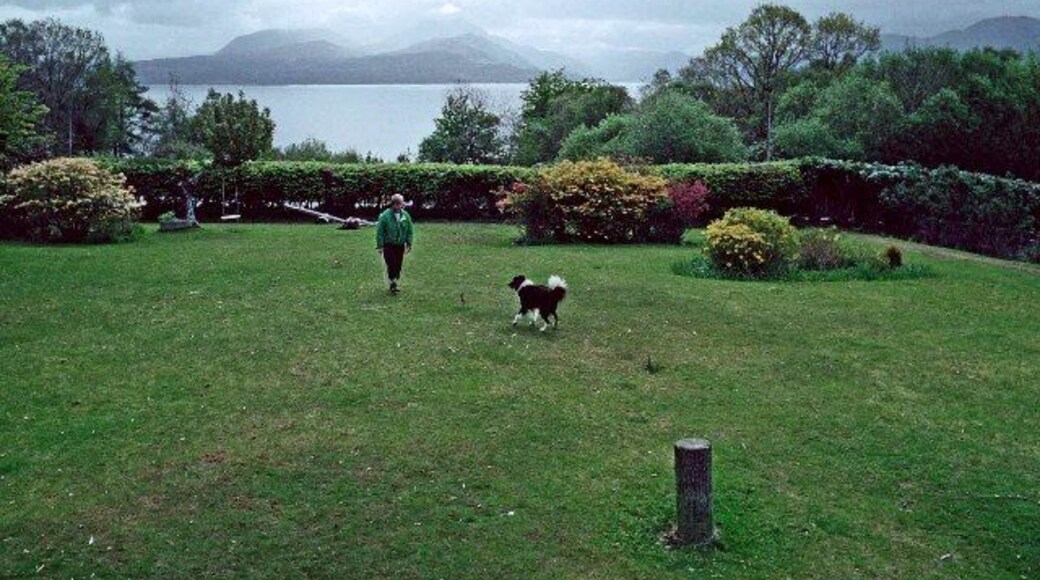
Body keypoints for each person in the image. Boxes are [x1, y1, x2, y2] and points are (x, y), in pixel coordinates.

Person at [375, 194, 414, 294]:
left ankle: (395, 280)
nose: (400, 206)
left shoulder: (405, 215)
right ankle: (393, 283)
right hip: (388, 245)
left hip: (400, 245)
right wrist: (380, 245)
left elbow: (409, 230)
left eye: (401, 204)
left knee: (398, 265)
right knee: (391, 264)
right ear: (393, 204)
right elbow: (380, 231)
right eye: (397, 204)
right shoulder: (385, 216)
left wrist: (409, 243)